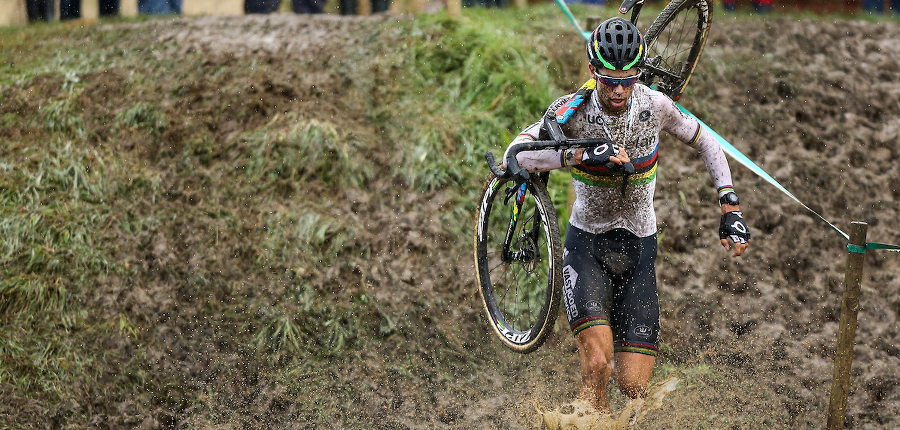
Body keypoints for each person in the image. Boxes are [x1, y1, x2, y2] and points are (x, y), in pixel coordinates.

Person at [502, 17, 751, 413]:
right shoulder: (573, 112)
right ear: (592, 72)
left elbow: (707, 141)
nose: (618, 89)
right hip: (587, 247)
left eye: (628, 79)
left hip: (640, 251)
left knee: (634, 387)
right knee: (598, 366)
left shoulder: (655, 107)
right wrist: (579, 153)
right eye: (608, 80)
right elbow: (516, 152)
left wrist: (729, 205)